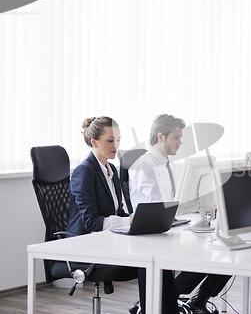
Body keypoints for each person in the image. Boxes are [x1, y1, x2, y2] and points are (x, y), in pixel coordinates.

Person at [66, 116, 178, 314]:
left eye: (118, 140)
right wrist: (129, 219)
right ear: (94, 141)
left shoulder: (111, 170)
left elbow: (117, 213)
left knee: (158, 259)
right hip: (85, 246)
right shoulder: (84, 172)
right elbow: (91, 222)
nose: (116, 145)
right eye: (110, 140)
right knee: (148, 261)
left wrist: (142, 219)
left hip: (107, 241)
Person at [129, 114, 230, 314]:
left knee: (225, 249)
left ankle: (196, 298)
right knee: (211, 251)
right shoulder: (144, 166)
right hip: (151, 235)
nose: (180, 143)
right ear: (161, 137)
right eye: (176, 137)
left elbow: (176, 203)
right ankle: (166, 295)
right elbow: (156, 208)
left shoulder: (172, 166)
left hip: (169, 227)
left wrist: (205, 205)